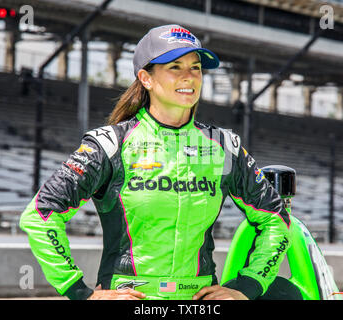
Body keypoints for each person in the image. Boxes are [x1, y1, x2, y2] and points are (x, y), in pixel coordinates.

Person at [20, 24, 291, 300]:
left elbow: (277, 220)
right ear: (145, 78)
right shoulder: (108, 145)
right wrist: (81, 293)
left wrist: (246, 288)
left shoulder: (225, 147)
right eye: (175, 67)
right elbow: (41, 216)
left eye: (196, 67)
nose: (189, 77)